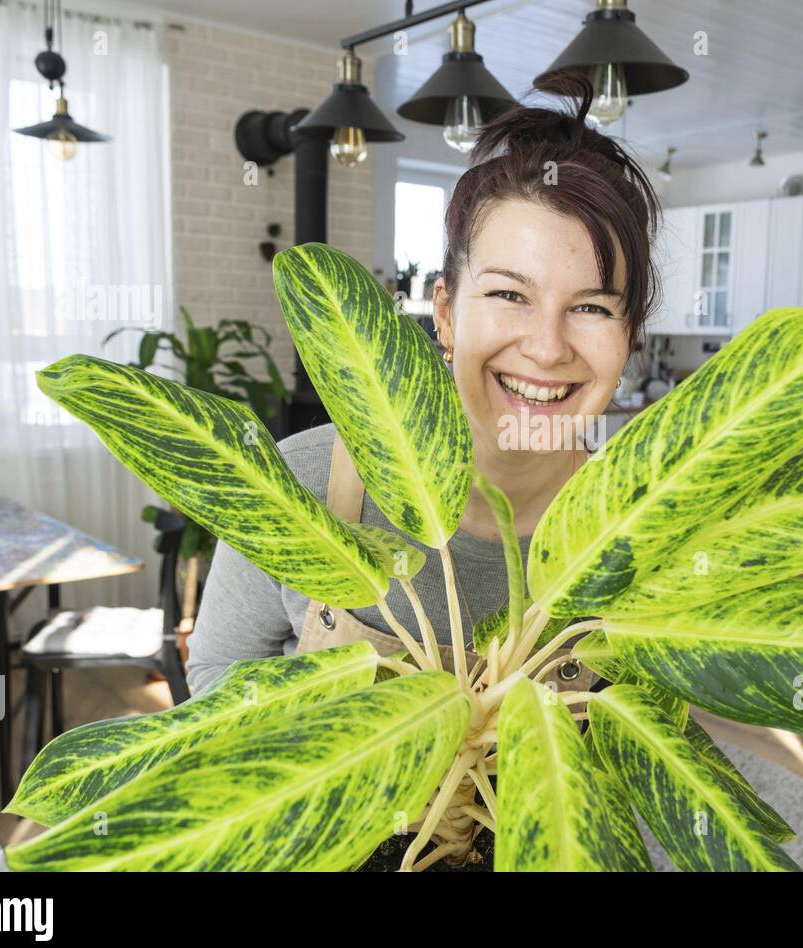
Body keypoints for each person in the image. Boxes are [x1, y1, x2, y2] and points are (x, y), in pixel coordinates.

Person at [185, 72, 662, 693]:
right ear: (445, 312)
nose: (547, 349)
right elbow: (216, 676)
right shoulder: (301, 481)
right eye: (508, 294)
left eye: (592, 307)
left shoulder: (641, 532)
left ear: (629, 335)